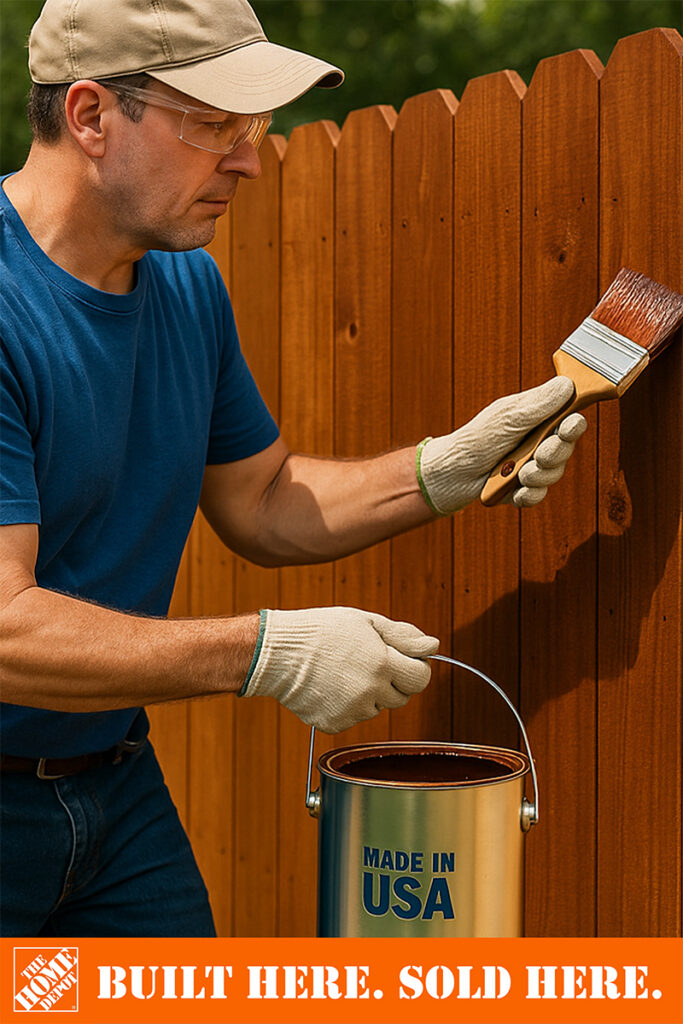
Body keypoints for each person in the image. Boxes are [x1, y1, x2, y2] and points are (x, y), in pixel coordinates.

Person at [0, 0, 586, 937]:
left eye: (256, 129)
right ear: (90, 116)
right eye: (215, 125)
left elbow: (262, 500)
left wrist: (443, 469)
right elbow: (4, 628)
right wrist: (267, 652)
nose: (248, 158)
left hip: (111, 787)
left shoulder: (185, 282)